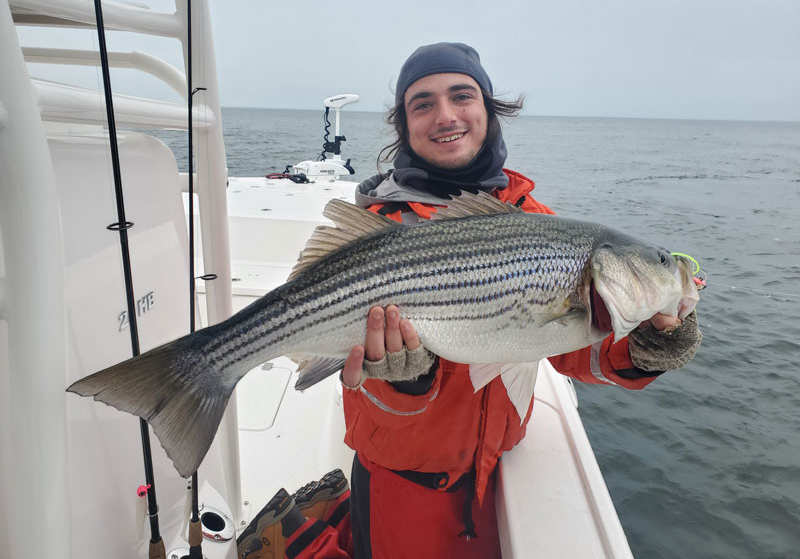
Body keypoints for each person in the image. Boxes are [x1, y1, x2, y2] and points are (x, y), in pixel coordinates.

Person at [239, 42, 702, 559]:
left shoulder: (538, 222)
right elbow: (364, 394)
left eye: (462, 95)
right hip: (398, 479)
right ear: (404, 126)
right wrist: (404, 381)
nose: (446, 115)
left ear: (488, 109)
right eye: (423, 104)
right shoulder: (383, 225)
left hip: (492, 472)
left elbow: (568, 348)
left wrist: (643, 349)